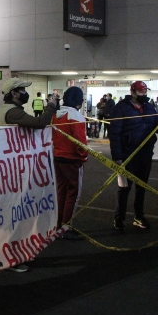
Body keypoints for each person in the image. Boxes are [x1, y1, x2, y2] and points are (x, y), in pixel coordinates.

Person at [0, 78, 58, 271]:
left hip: (8, 167)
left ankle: (13, 253)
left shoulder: (3, 110)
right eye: (22, 90)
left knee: (13, 214)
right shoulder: (13, 112)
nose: (25, 93)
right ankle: (10, 258)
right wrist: (51, 106)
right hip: (10, 170)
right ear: (14, 93)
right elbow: (39, 123)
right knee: (13, 215)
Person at [108, 81, 158, 231]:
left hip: (145, 154)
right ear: (132, 92)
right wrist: (117, 156)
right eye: (141, 92)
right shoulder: (121, 108)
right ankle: (119, 218)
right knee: (124, 188)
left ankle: (139, 216)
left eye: (145, 92)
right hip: (127, 154)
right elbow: (114, 133)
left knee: (142, 187)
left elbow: (157, 127)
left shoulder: (149, 107)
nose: (144, 94)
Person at [52, 87, 88, 240]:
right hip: (72, 160)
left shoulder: (55, 115)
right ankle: (66, 227)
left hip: (57, 157)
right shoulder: (76, 116)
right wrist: (83, 157)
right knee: (73, 193)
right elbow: (80, 142)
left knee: (61, 191)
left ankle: (59, 223)